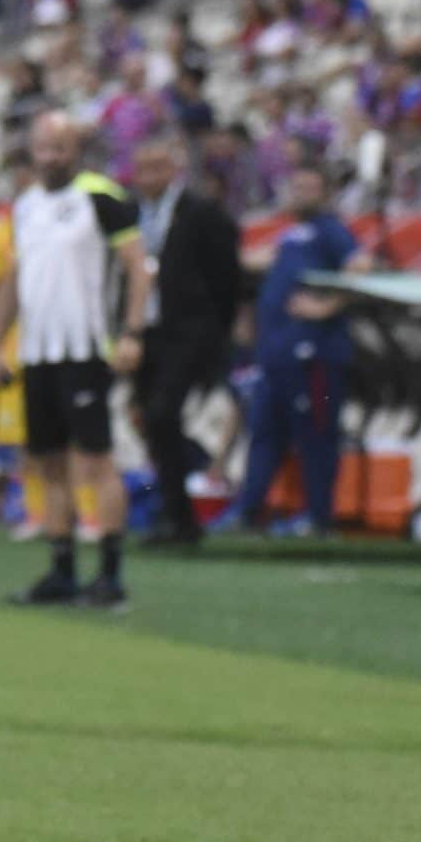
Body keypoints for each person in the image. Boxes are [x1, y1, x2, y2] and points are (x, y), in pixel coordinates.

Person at [0, 112, 151, 608]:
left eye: (60, 148)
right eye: (43, 148)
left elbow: (140, 270)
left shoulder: (101, 197)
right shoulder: (25, 205)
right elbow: (14, 277)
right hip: (38, 352)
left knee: (95, 460)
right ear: (31, 150)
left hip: (86, 348)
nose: (51, 157)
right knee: (47, 464)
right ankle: (62, 571)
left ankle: (112, 575)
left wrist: (132, 333)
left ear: (76, 149)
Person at [221, 160, 367, 536]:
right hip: (276, 355)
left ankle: (320, 518)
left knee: (316, 437)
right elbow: (252, 262)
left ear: (326, 193)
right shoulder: (290, 234)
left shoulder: (330, 231)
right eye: (296, 186)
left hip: (314, 354)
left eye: (309, 188)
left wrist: (328, 306)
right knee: (264, 433)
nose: (300, 194)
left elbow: (361, 264)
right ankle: (250, 511)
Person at [129, 134, 243, 545]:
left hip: (188, 331)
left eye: (156, 168)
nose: (147, 177)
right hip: (146, 330)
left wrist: (217, 331)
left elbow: (227, 278)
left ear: (173, 170)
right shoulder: (131, 214)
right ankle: (175, 512)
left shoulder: (202, 213)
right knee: (150, 416)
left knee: (163, 411)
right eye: (141, 169)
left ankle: (176, 512)